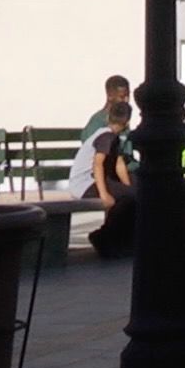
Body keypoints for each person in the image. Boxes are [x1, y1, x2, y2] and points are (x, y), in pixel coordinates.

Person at [70, 100, 136, 258]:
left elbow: (119, 164)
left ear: (108, 117)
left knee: (132, 196)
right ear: (127, 122)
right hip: (85, 184)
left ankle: (118, 239)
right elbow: (97, 165)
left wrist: (128, 188)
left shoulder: (115, 137)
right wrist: (104, 194)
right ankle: (103, 237)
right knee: (128, 198)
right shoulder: (106, 136)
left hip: (95, 180)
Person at [83, 74, 134, 161]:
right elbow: (94, 158)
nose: (126, 100)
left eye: (128, 96)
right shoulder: (97, 122)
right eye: (122, 97)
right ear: (110, 96)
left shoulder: (123, 117)